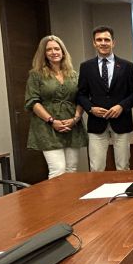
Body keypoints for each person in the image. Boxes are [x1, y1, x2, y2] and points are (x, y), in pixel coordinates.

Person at [24, 35, 87, 179]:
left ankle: (70, 202)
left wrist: (75, 119)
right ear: (44, 54)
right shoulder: (36, 75)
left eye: (57, 48)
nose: (54, 52)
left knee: (71, 169)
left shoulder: (73, 74)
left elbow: (81, 98)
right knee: (57, 170)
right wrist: (52, 121)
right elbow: (32, 101)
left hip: (72, 125)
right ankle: (57, 202)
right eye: (49, 49)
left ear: (63, 51)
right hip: (48, 127)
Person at [77, 26, 133, 171]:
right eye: (99, 40)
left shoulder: (127, 66)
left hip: (121, 121)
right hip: (97, 123)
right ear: (94, 43)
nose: (103, 43)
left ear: (113, 42)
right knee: (96, 167)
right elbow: (80, 94)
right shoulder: (86, 67)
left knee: (123, 166)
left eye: (106, 40)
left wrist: (121, 106)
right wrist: (91, 108)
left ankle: (123, 193)